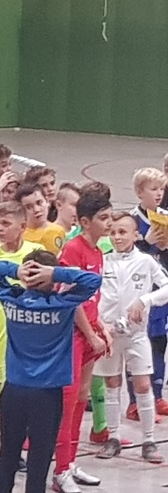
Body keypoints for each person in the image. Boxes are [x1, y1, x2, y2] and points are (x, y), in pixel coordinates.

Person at [0, 252, 101, 493]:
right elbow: (92, 281)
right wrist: (55, 274)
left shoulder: (12, 300)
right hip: (47, 395)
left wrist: (18, 271)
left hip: (14, 391)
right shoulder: (63, 304)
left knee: (8, 458)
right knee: (38, 463)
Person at [0, 201, 42, 475]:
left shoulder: (36, 255)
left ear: (22, 226)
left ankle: (12, 451)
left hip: (26, 336)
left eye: (6, 224)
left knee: (20, 396)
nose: (0, 229)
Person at [53, 185, 113, 493]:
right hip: (73, 336)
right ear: (85, 222)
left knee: (81, 398)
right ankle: (60, 469)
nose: (109, 223)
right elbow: (69, 299)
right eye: (103, 218)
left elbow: (92, 299)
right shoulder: (73, 250)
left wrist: (100, 327)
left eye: (110, 217)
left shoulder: (98, 251)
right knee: (68, 401)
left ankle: (71, 462)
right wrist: (89, 333)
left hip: (90, 332)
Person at [94, 212, 168, 463]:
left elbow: (166, 287)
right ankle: (113, 437)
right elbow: (93, 295)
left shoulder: (146, 262)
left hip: (136, 334)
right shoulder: (103, 261)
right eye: (113, 232)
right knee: (111, 383)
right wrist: (100, 323)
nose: (117, 237)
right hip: (109, 334)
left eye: (123, 232)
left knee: (143, 385)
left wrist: (145, 300)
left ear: (136, 235)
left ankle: (149, 440)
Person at [130, 167, 168, 419]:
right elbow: (124, 252)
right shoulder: (132, 221)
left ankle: (157, 394)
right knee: (137, 344)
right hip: (138, 290)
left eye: (161, 189)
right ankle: (135, 401)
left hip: (160, 291)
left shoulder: (164, 216)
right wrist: (147, 242)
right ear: (139, 192)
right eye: (153, 189)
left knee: (159, 340)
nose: (158, 193)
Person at [17, 182, 64, 254]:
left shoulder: (58, 230)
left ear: (47, 201)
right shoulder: (19, 236)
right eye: (29, 207)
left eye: (39, 203)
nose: (36, 210)